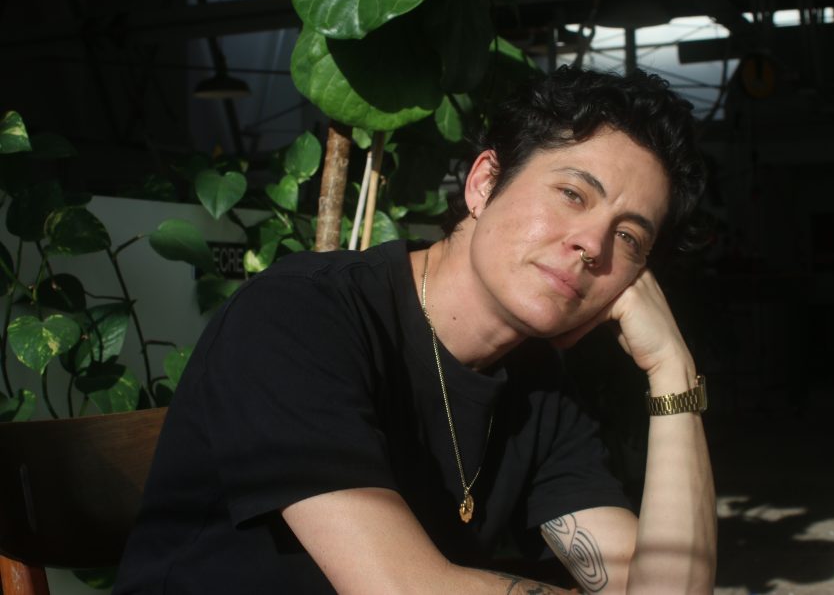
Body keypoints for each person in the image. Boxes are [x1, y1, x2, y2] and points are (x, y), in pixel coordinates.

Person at [115, 66, 716, 594]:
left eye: (630, 238)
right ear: (483, 183)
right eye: (571, 193)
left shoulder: (538, 389)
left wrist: (672, 371)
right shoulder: (300, 314)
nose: (593, 245)